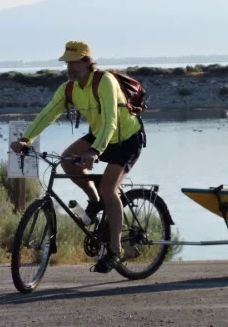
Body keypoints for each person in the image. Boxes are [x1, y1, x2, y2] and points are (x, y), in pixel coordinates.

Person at [10, 41, 145, 273]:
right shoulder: (69, 89)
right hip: (100, 135)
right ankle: (94, 202)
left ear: (87, 62)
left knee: (109, 189)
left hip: (126, 138)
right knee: (66, 161)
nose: (69, 67)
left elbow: (111, 120)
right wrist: (26, 139)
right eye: (66, 62)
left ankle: (115, 250)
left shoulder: (104, 81)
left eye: (74, 62)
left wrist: (94, 151)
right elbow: (48, 113)